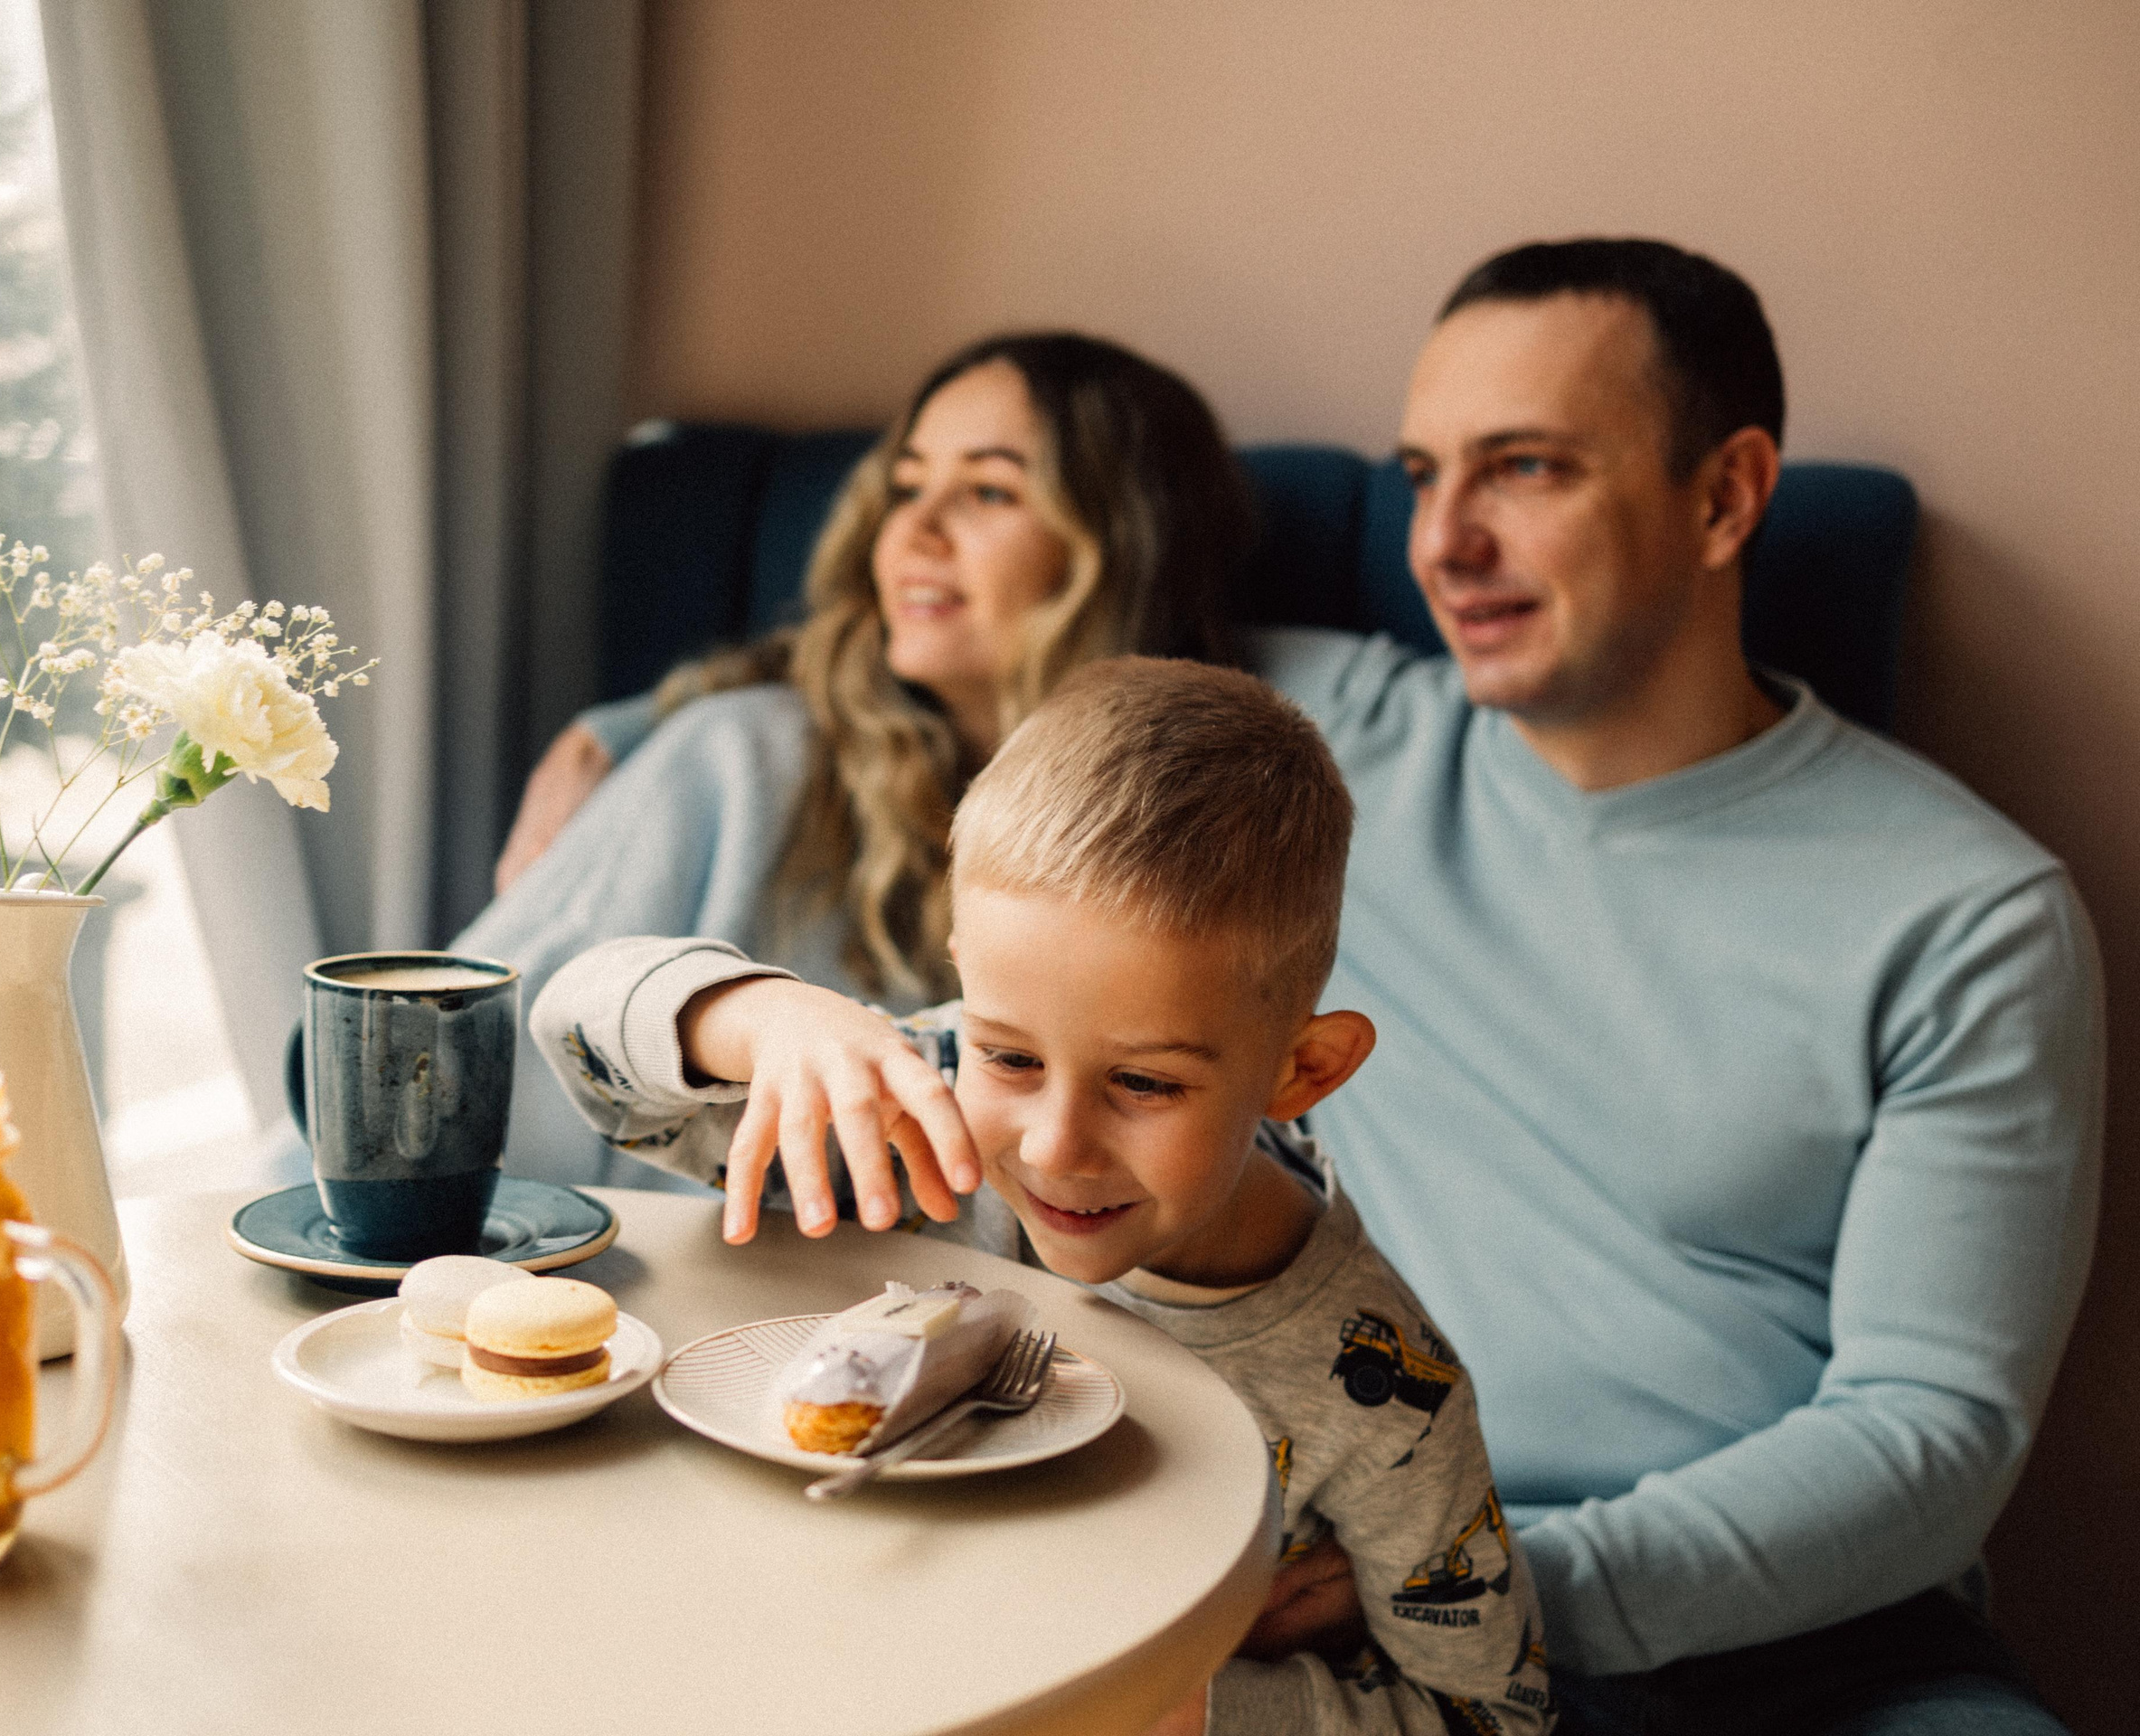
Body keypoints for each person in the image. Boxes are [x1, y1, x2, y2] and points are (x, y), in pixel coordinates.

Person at [1241, 239, 2100, 1731]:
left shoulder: (1968, 915)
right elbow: (955, 639)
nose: (1442, 542)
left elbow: (1935, 1435)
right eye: (1421, 475)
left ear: (1726, 494)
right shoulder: (1322, 748)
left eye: (1525, 469)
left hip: (1812, 1647)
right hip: (1366, 1606)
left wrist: (1490, 1582)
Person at [527, 657, 1554, 1736]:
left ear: (1302, 1070)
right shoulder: (907, 1116)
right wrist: (763, 1017)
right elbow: (575, 1031)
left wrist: (1190, 1706)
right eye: (1009, 1057)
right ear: (963, 971)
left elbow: (1498, 1713)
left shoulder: (1386, 1394)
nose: (1056, 1145)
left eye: (1146, 1083)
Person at [457, 332, 1249, 1184]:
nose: (913, 528)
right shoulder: (735, 755)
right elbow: (480, 1038)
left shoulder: (1198, 810)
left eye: (988, 490)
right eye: (906, 486)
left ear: (1123, 544)